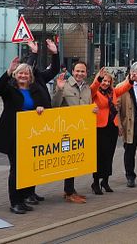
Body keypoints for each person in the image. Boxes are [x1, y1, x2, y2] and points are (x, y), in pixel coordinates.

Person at [0, 58, 51, 214]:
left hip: (30, 135)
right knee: (16, 169)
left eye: (26, 73)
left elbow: (43, 104)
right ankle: (15, 202)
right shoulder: (10, 90)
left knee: (27, 169)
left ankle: (24, 198)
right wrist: (8, 71)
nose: (23, 76)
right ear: (16, 75)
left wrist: (40, 108)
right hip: (13, 134)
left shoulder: (33, 90)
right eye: (20, 73)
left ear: (30, 76)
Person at [23, 39, 60, 204]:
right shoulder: (26, 79)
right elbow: (28, 68)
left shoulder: (39, 76)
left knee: (35, 161)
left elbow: (54, 70)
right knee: (28, 162)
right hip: (30, 124)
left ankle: (31, 191)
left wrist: (55, 54)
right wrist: (34, 53)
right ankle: (25, 193)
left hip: (41, 124)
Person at [52, 61, 93, 203]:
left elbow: (88, 106)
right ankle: (69, 192)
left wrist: (93, 110)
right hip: (67, 131)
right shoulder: (65, 85)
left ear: (86, 73)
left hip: (81, 130)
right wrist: (59, 89)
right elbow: (54, 105)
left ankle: (70, 189)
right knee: (68, 161)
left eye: (83, 71)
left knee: (75, 159)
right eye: (77, 71)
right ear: (73, 71)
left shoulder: (87, 88)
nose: (80, 74)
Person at [89, 67, 132, 195]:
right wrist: (98, 79)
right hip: (99, 127)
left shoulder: (112, 92)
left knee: (109, 154)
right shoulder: (95, 92)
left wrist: (130, 79)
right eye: (104, 81)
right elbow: (92, 89)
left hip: (111, 126)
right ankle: (95, 182)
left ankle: (105, 181)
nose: (106, 83)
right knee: (99, 155)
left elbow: (123, 88)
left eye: (108, 81)